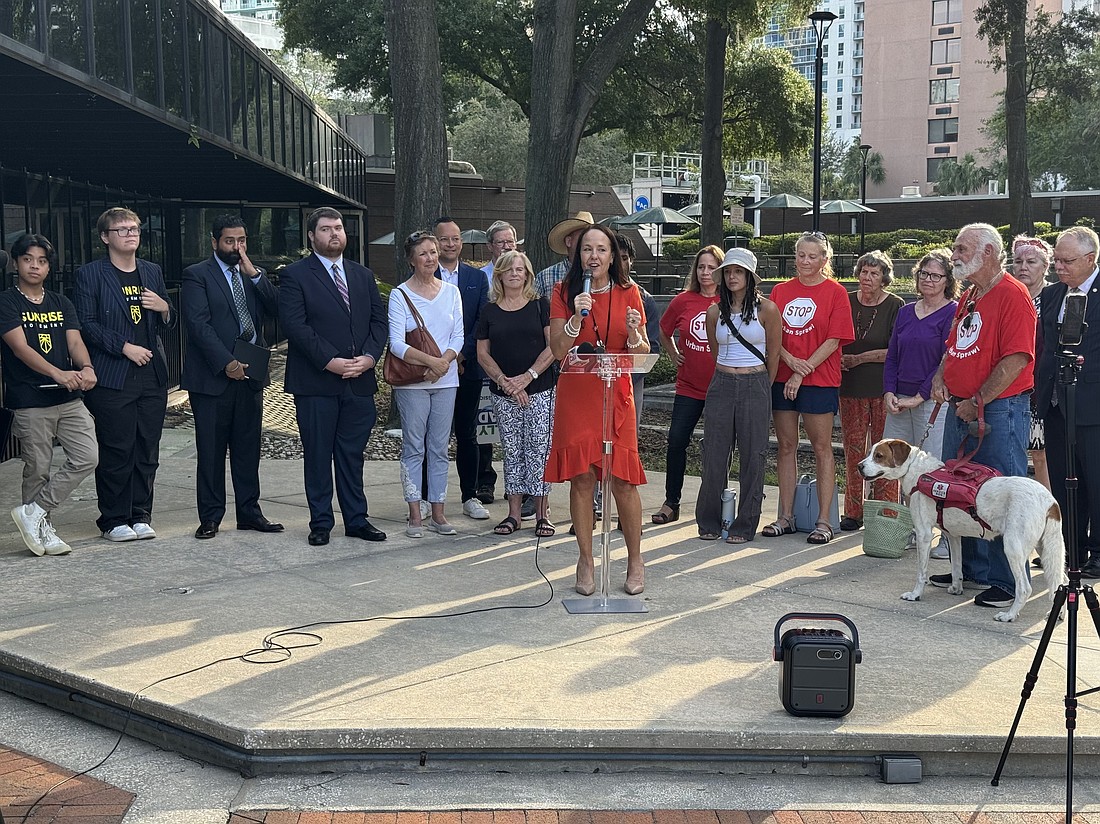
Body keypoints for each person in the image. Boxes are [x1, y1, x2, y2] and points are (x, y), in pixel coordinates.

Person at [930, 223, 1036, 609]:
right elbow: (955, 345)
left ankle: (1007, 581)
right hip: (962, 406)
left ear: (987, 252)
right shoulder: (971, 293)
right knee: (962, 488)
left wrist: (977, 401)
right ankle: (971, 568)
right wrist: (942, 374)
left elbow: (1017, 358)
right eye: (956, 246)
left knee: (1002, 492)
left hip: (999, 410)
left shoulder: (1012, 294)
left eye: (961, 247)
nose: (954, 253)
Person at [547, 226, 649, 595]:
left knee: (623, 480)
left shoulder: (629, 292)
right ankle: (586, 560)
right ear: (578, 256)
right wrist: (575, 319)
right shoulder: (563, 292)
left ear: (612, 256)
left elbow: (639, 351)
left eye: (601, 249)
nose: (594, 256)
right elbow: (559, 351)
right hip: (578, 394)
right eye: (587, 249)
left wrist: (636, 334)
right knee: (583, 478)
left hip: (615, 394)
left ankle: (635, 560)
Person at [279, 207, 388, 547]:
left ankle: (356, 519)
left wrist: (369, 358)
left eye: (338, 228)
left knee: (352, 455)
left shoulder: (361, 275)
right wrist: (331, 361)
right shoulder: (295, 275)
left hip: (358, 381)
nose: (334, 234)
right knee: (317, 453)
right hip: (316, 383)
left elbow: (378, 322)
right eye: (325, 229)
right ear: (312, 236)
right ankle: (321, 522)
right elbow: (296, 327)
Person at [73, 207, 176, 543]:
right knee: (118, 448)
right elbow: (86, 324)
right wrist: (124, 347)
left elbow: (167, 320)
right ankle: (114, 519)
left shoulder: (151, 270)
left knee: (147, 446)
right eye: (122, 229)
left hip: (151, 374)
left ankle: (141, 514)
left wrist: (165, 308)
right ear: (105, 237)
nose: (131, 233)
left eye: (135, 228)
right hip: (114, 374)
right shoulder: (90, 274)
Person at [181, 214, 282, 541]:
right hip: (214, 379)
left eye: (241, 241)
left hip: (251, 374)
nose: (237, 248)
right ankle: (210, 517)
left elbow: (277, 308)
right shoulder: (197, 276)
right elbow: (198, 325)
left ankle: (250, 513)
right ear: (214, 242)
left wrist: (255, 276)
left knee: (247, 448)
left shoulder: (251, 275)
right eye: (229, 241)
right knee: (211, 450)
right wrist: (226, 362)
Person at [3, 233, 98, 556]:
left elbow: (74, 342)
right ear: (16, 263)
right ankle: (41, 528)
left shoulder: (61, 302)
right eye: (28, 259)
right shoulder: (7, 301)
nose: (35, 266)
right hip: (30, 399)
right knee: (38, 467)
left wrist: (86, 367)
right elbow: (20, 348)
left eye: (42, 261)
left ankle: (35, 512)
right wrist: (58, 373)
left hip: (68, 399)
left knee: (87, 456)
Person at [763, 231, 854, 545]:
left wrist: (803, 371)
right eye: (801, 255)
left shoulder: (836, 293)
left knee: (821, 448)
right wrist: (790, 361)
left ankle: (824, 520)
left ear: (824, 260)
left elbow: (834, 339)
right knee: (786, 446)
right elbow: (771, 334)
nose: (805, 261)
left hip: (819, 380)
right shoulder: (780, 291)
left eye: (812, 256)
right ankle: (785, 516)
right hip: (782, 377)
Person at [695, 248, 781, 542]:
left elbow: (774, 354)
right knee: (714, 454)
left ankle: (745, 525)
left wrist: (760, 385)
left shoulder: (767, 310)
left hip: (754, 382)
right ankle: (707, 521)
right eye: (728, 272)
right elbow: (714, 350)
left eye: (738, 272)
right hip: (722, 382)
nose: (732, 277)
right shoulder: (714, 312)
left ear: (750, 277)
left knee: (753, 456)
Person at [388, 231, 465, 538]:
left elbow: (458, 336)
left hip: (447, 382)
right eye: (423, 254)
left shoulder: (451, 292)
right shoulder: (400, 294)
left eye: (433, 252)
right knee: (414, 446)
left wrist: (443, 363)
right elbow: (395, 343)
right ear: (411, 260)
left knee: (439, 448)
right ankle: (414, 514)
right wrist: (431, 363)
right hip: (412, 384)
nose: (431, 258)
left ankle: (439, 512)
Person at [882, 249, 958, 559]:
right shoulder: (905, 312)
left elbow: (945, 360)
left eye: (935, 275)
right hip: (899, 401)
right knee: (901, 470)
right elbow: (893, 355)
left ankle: (946, 537)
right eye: (924, 274)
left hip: (932, 402)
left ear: (947, 281)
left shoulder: (952, 312)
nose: (928, 280)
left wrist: (920, 396)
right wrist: (889, 391)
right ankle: (914, 529)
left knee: (934, 471)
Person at [476, 250, 557, 537]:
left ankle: (542, 514)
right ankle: (513, 515)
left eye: (520, 269)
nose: (514, 274)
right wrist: (505, 382)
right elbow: (482, 353)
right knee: (512, 451)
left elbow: (553, 347)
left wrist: (527, 377)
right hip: (503, 392)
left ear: (527, 275)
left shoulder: (540, 306)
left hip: (540, 390)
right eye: (508, 269)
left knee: (538, 450)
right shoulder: (489, 311)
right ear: (499, 274)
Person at [1035, 226, 1100, 578]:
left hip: (1093, 403)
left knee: (1095, 480)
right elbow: (1045, 348)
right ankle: (1069, 550)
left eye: (1066, 260)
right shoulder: (1052, 294)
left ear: (1090, 259)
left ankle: (1099, 553)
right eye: (1056, 259)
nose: (1058, 266)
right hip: (1057, 401)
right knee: (1063, 480)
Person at [652, 244, 722, 525]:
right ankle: (672, 501)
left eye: (711, 268)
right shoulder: (683, 301)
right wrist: (673, 353)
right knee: (677, 440)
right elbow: (663, 329)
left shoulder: (729, 301)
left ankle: (716, 502)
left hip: (722, 387)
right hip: (689, 387)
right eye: (701, 267)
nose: (706, 273)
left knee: (718, 446)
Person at [838, 251, 904, 531]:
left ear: (884, 278)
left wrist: (859, 358)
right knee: (853, 450)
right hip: (849, 387)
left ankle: (886, 513)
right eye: (864, 271)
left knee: (884, 452)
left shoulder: (895, 306)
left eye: (874, 273)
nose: (867, 278)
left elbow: (895, 351)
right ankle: (853, 511)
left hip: (882, 389)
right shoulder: (846, 300)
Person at [432, 217, 493, 516]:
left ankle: (470, 496)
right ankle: (429, 499)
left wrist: (460, 356)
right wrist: (440, 360)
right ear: (435, 241)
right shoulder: (422, 274)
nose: (451, 244)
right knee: (434, 435)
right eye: (445, 239)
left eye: (456, 239)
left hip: (466, 367)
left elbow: (481, 322)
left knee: (467, 433)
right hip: (432, 368)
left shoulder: (476, 277)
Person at [1011, 234, 1054, 492]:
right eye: (1018, 261)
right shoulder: (1012, 296)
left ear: (1045, 266)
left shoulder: (1053, 298)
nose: (1023, 267)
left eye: (1031, 261)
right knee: (1015, 448)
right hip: (1013, 385)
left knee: (1041, 453)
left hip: (1041, 387)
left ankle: (1049, 506)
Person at [616, 232, 660, 428]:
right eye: (616, 257)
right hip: (595, 383)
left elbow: (652, 349)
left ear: (632, 261)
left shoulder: (644, 299)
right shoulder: (589, 295)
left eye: (625, 258)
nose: (620, 263)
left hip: (632, 381)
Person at [535, 211, 594, 299]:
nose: (587, 243)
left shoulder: (601, 275)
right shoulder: (545, 277)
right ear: (569, 241)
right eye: (582, 238)